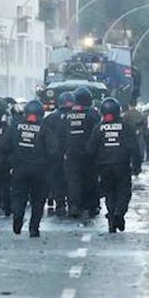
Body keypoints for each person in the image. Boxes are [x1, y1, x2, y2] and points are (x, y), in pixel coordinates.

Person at [86, 97, 141, 233]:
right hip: (122, 165)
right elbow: (134, 147)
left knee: (109, 193)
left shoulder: (99, 128)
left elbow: (90, 149)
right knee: (123, 192)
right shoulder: (126, 126)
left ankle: (111, 217)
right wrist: (136, 164)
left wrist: (91, 166)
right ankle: (119, 213)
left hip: (104, 166)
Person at [10, 99, 57, 237]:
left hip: (19, 169)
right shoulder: (45, 129)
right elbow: (53, 151)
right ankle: (34, 228)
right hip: (40, 170)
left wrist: (12, 162)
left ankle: (18, 217)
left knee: (19, 196)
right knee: (38, 200)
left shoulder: (16, 127)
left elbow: (6, 146)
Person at [62, 86, 99, 218]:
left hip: (71, 153)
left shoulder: (68, 116)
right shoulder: (93, 114)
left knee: (73, 180)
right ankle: (92, 205)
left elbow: (63, 135)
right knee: (91, 180)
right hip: (89, 153)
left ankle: (74, 206)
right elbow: (97, 134)